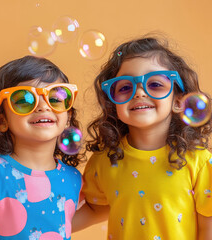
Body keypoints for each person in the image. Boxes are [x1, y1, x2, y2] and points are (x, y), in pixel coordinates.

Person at [72, 36, 212, 239]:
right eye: (125, 87)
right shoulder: (105, 161)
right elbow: (96, 209)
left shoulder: (199, 162)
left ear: (178, 101)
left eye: (155, 84)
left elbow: (207, 227)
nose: (139, 92)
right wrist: (40, 226)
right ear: (113, 103)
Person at [0, 55, 84, 240]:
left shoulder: (72, 178)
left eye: (55, 98)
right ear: (1, 120)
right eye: (24, 100)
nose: (43, 107)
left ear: (68, 117)